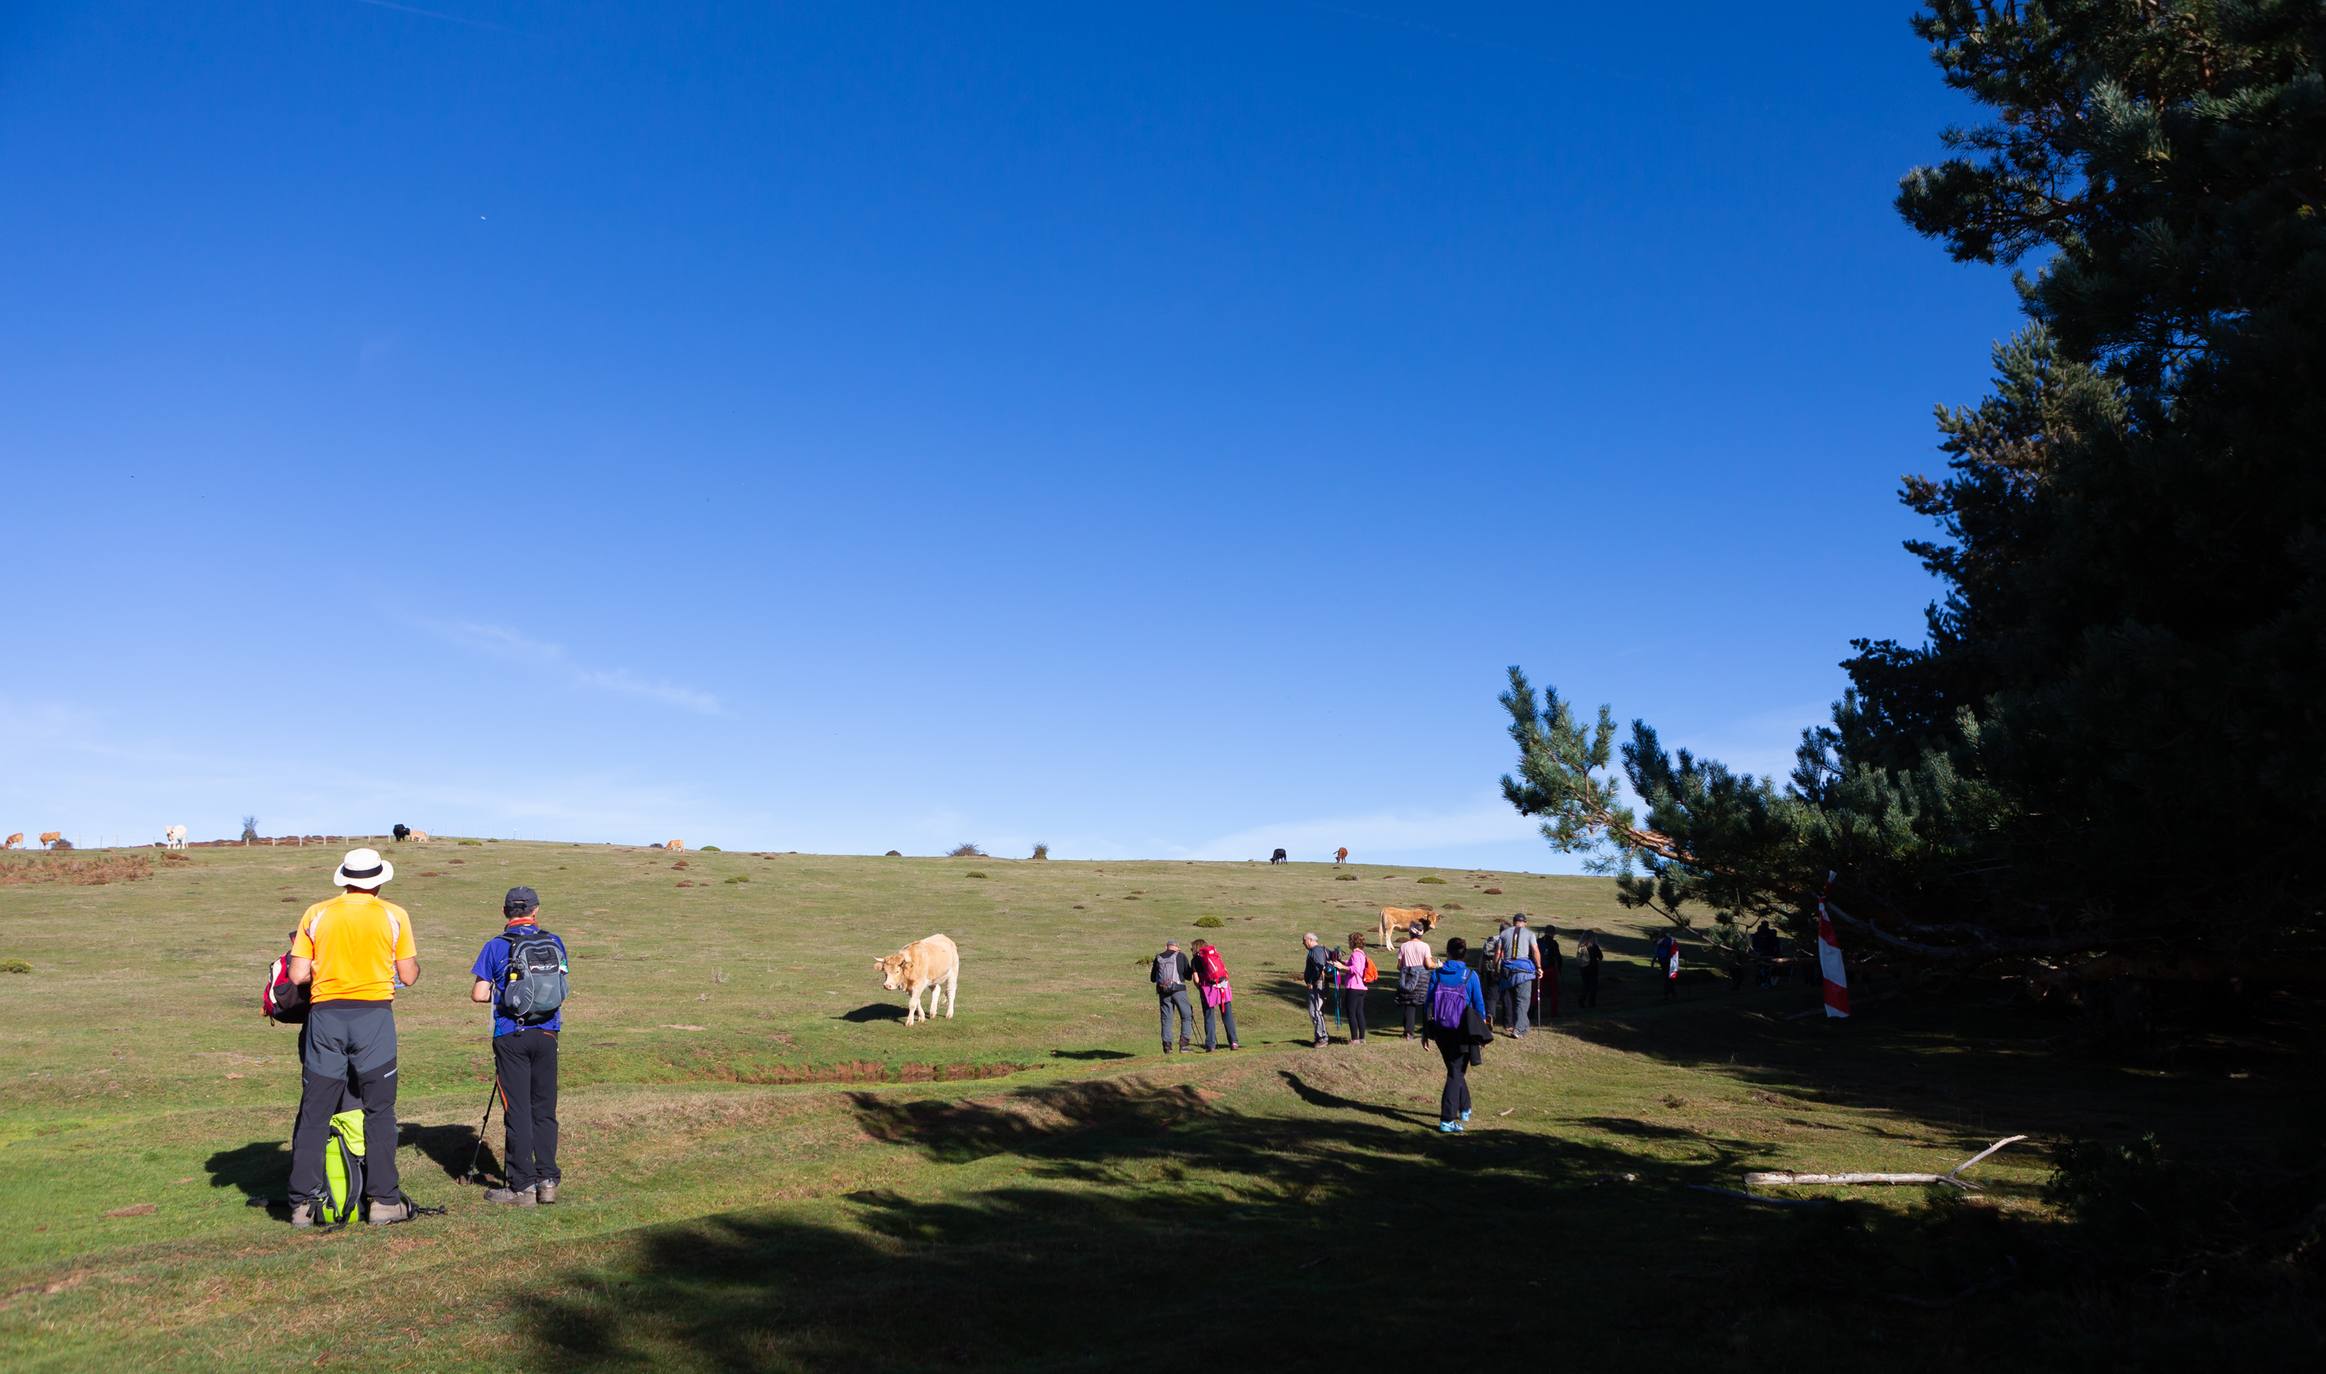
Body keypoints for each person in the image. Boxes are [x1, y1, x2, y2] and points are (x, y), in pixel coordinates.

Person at [286, 847, 423, 1227]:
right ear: (379, 881)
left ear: (344, 878)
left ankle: (302, 1204)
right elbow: (408, 975)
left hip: (326, 1016)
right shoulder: (395, 915)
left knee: (315, 1111)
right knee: (380, 1112)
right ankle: (383, 1201)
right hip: (374, 1018)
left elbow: (297, 975)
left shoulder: (317, 913)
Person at [470, 886, 566, 1206]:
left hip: (511, 1035)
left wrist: (504, 993)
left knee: (518, 1110)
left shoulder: (495, 946)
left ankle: (522, 1186)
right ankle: (548, 1181)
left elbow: (479, 994)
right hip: (548, 1033)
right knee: (544, 1108)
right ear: (535, 911)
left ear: (505, 912)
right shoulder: (554, 942)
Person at [1423, 937, 1489, 1132]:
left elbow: (1427, 1004)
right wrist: (1482, 1033)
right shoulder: (1470, 975)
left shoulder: (1437, 974)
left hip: (1441, 1030)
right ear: (1464, 954)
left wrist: (1425, 1032)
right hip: (1464, 1030)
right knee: (1455, 1073)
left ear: (1448, 953)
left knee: (1456, 1070)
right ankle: (1447, 1119)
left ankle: (1465, 1107)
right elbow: (1480, 1006)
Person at [1189, 937, 1241, 1052]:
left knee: (1209, 1017)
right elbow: (1224, 971)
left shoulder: (1195, 960)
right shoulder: (1214, 954)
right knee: (1227, 1016)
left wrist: (1200, 989)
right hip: (1223, 987)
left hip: (1208, 990)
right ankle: (1234, 1042)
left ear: (1195, 948)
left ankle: (1211, 1045)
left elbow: (1196, 980)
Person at [1497, 914, 1542, 1037]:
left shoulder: (1504, 933)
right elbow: (1535, 951)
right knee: (1523, 1001)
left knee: (1510, 999)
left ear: (1513, 922)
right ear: (1525, 923)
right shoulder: (1530, 934)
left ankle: (1522, 1025)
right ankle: (1519, 1029)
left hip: (1507, 970)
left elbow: (1498, 952)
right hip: (1524, 972)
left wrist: (1496, 968)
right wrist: (1539, 967)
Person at [1393, 923, 1440, 1040]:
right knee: (1426, 1004)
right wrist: (1438, 965)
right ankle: (1427, 1031)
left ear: (1410, 932)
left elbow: (1399, 965)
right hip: (1423, 978)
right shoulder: (1425, 946)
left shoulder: (1404, 946)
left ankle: (1408, 1033)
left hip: (1408, 978)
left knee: (1409, 1005)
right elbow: (1429, 964)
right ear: (1421, 933)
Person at [1152, 939, 1196, 1052]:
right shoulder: (1180, 956)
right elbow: (1188, 976)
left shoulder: (1158, 957)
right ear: (1177, 946)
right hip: (1179, 990)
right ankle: (1184, 1045)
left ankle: (1167, 1047)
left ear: (1166, 946)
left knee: (1166, 1019)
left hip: (1163, 992)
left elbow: (1152, 978)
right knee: (1186, 1016)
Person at [1328, 934, 1374, 1043]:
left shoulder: (1355, 954)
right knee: (1359, 1012)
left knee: (1351, 1012)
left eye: (1349, 941)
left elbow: (1355, 969)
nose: (1348, 943)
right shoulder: (1362, 954)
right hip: (1362, 987)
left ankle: (1355, 1039)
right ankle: (1362, 1038)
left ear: (1353, 942)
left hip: (1354, 987)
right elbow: (1353, 965)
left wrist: (1342, 967)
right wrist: (1340, 963)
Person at [1301, 933, 1332, 1047]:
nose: (1303, 943)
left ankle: (1323, 1038)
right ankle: (1320, 1036)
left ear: (1309, 940)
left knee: (1315, 1011)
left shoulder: (1316, 951)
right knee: (1317, 1011)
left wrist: (1310, 981)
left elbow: (1319, 967)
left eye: (1304, 941)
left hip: (1317, 984)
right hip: (1320, 984)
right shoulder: (1322, 949)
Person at [1577, 931, 1604, 1008]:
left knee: (1585, 985)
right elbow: (1601, 957)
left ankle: (1581, 1000)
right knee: (1593, 986)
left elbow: (1579, 958)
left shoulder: (1581, 947)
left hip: (1583, 968)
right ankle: (1591, 1003)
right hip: (1593, 968)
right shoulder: (1594, 946)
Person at [1752, 920, 1781, 988]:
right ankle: (1764, 981)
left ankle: (1766, 982)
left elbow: (1775, 944)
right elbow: (1754, 944)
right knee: (1763, 968)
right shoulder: (1759, 934)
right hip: (1763, 953)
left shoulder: (1768, 933)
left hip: (1767, 953)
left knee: (1766, 968)